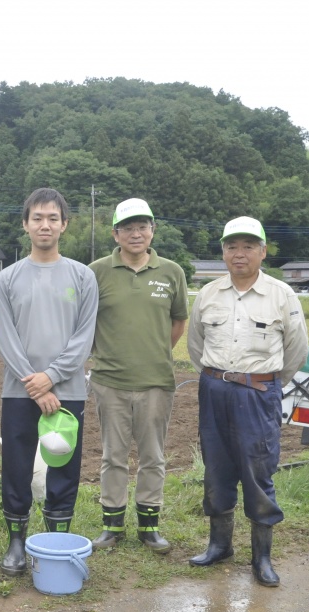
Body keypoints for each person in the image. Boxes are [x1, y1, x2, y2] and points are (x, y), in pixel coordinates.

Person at [187, 216, 308, 587]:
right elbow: (196, 346)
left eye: (248, 246)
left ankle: (262, 558)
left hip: (258, 394)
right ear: (223, 252)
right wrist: (220, 378)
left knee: (258, 472)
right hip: (214, 390)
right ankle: (219, 545)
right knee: (216, 468)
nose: (239, 254)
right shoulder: (208, 293)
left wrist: (264, 382)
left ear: (263, 251)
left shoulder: (281, 294)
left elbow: (296, 350)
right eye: (232, 246)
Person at [0, 188, 98, 576]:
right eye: (37, 217)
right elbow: (5, 338)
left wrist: (51, 377)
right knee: (16, 464)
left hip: (68, 390)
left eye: (53, 218)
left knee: (64, 463)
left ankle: (56, 536)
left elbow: (83, 337)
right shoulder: (7, 278)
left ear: (64, 225)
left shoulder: (83, 276)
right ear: (25, 224)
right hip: (18, 391)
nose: (45, 224)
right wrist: (34, 384)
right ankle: (16, 541)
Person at [87, 198, 188, 554]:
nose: (136, 233)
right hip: (109, 381)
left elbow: (178, 321)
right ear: (115, 233)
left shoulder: (172, 272)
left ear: (153, 230)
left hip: (157, 381)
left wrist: (155, 351)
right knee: (112, 455)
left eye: (142, 226)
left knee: (153, 456)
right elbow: (86, 321)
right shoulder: (97, 271)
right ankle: (111, 527)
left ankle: (150, 527)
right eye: (128, 227)